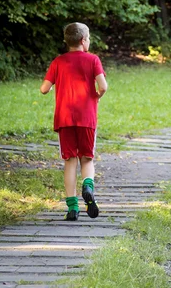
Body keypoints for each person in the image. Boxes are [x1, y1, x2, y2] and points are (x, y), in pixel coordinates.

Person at [40, 22, 108, 221]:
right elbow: (103, 86)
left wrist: (51, 87)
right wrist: (97, 94)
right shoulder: (93, 59)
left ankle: (72, 208)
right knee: (86, 158)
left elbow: (44, 89)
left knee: (69, 161)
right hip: (87, 118)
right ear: (83, 40)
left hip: (65, 119)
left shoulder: (58, 62)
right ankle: (88, 185)